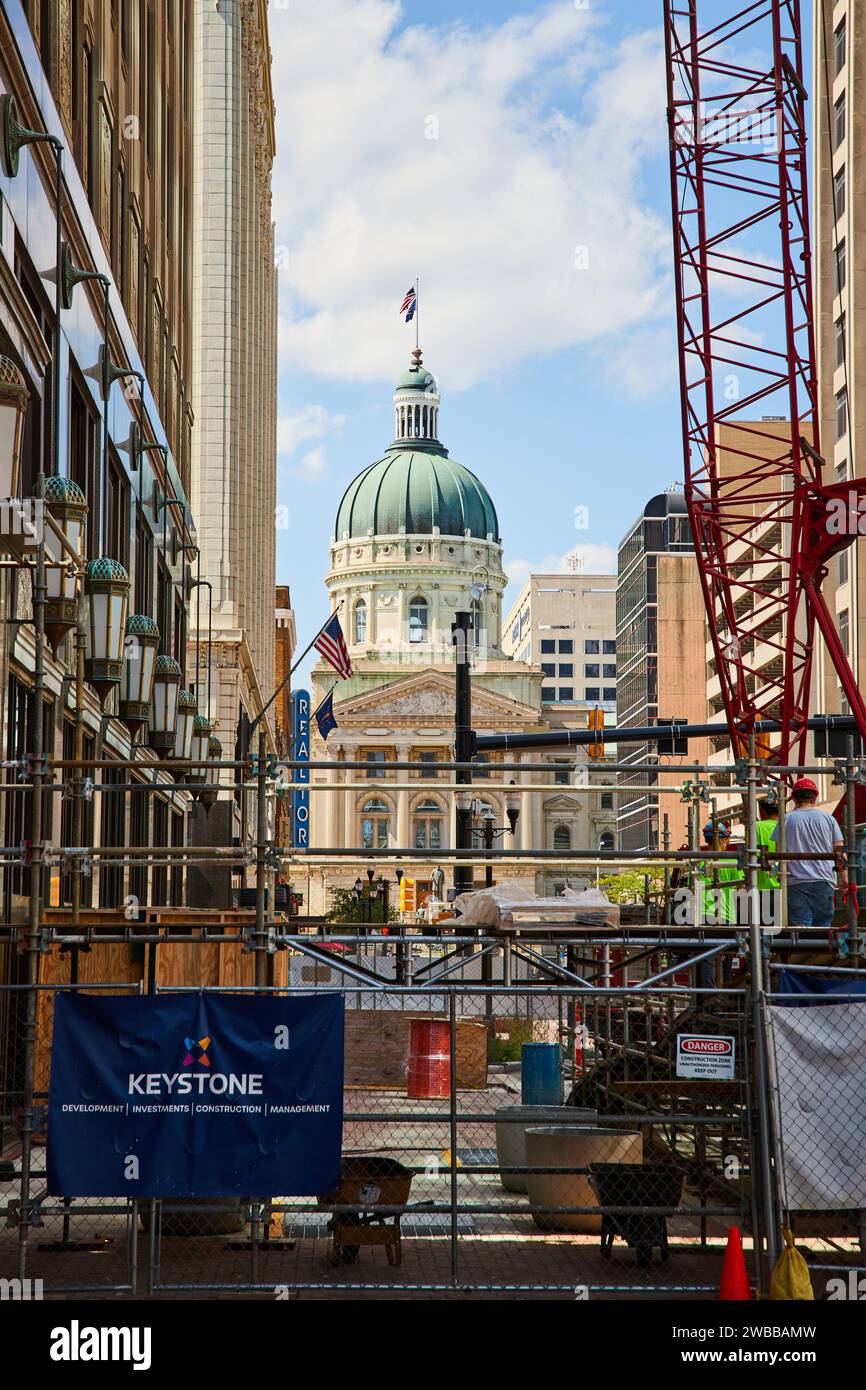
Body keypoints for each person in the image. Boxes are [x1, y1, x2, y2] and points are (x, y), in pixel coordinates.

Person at [783, 777, 846, 928]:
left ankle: (803, 950)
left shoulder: (786, 819)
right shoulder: (828, 819)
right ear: (815, 797)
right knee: (823, 927)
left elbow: (780, 852)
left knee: (800, 927)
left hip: (795, 882)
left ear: (794, 799)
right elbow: (839, 851)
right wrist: (844, 878)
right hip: (824, 880)